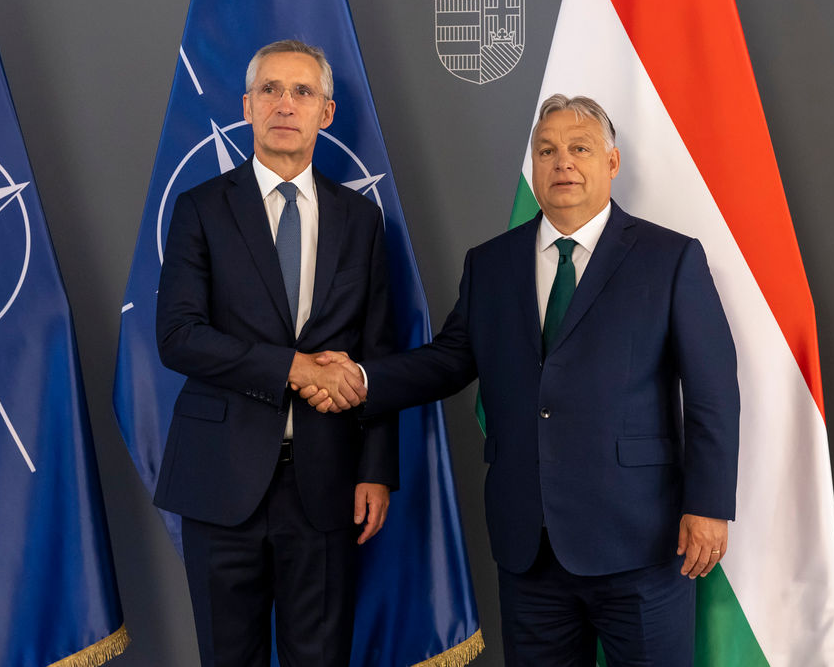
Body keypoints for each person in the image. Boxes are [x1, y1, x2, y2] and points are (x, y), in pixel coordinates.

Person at [306, 94, 739, 665]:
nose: (562, 162)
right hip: (528, 545)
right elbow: (449, 360)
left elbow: (713, 392)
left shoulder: (670, 258)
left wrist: (708, 504)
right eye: (547, 150)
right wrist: (359, 377)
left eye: (579, 148)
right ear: (532, 166)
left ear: (611, 163)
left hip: (641, 538)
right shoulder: (491, 263)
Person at [153, 39, 396, 667]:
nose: (285, 104)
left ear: (326, 113)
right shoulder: (201, 209)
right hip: (220, 480)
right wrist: (294, 368)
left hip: (328, 481)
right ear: (247, 107)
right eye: (270, 91)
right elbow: (178, 335)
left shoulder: (362, 221)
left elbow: (378, 351)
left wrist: (375, 468)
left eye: (302, 92)